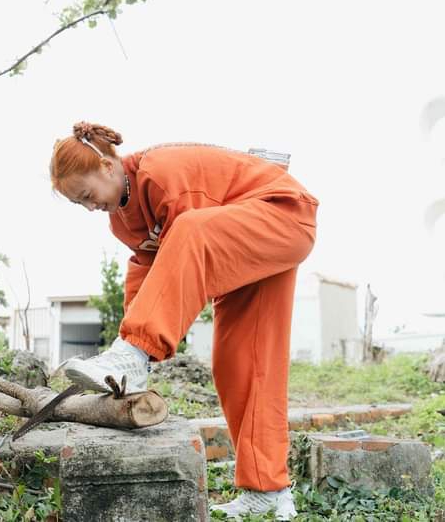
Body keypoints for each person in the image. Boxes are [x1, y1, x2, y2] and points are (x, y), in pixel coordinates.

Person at [49, 122, 318, 520]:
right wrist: (125, 343)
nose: (90, 207)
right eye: (79, 204)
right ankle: (269, 490)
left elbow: (190, 248)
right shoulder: (121, 219)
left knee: (189, 229)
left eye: (88, 195)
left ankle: (133, 355)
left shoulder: (160, 173)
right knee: (240, 364)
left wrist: (139, 347)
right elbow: (147, 271)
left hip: (282, 215)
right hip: (239, 244)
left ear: (108, 166)